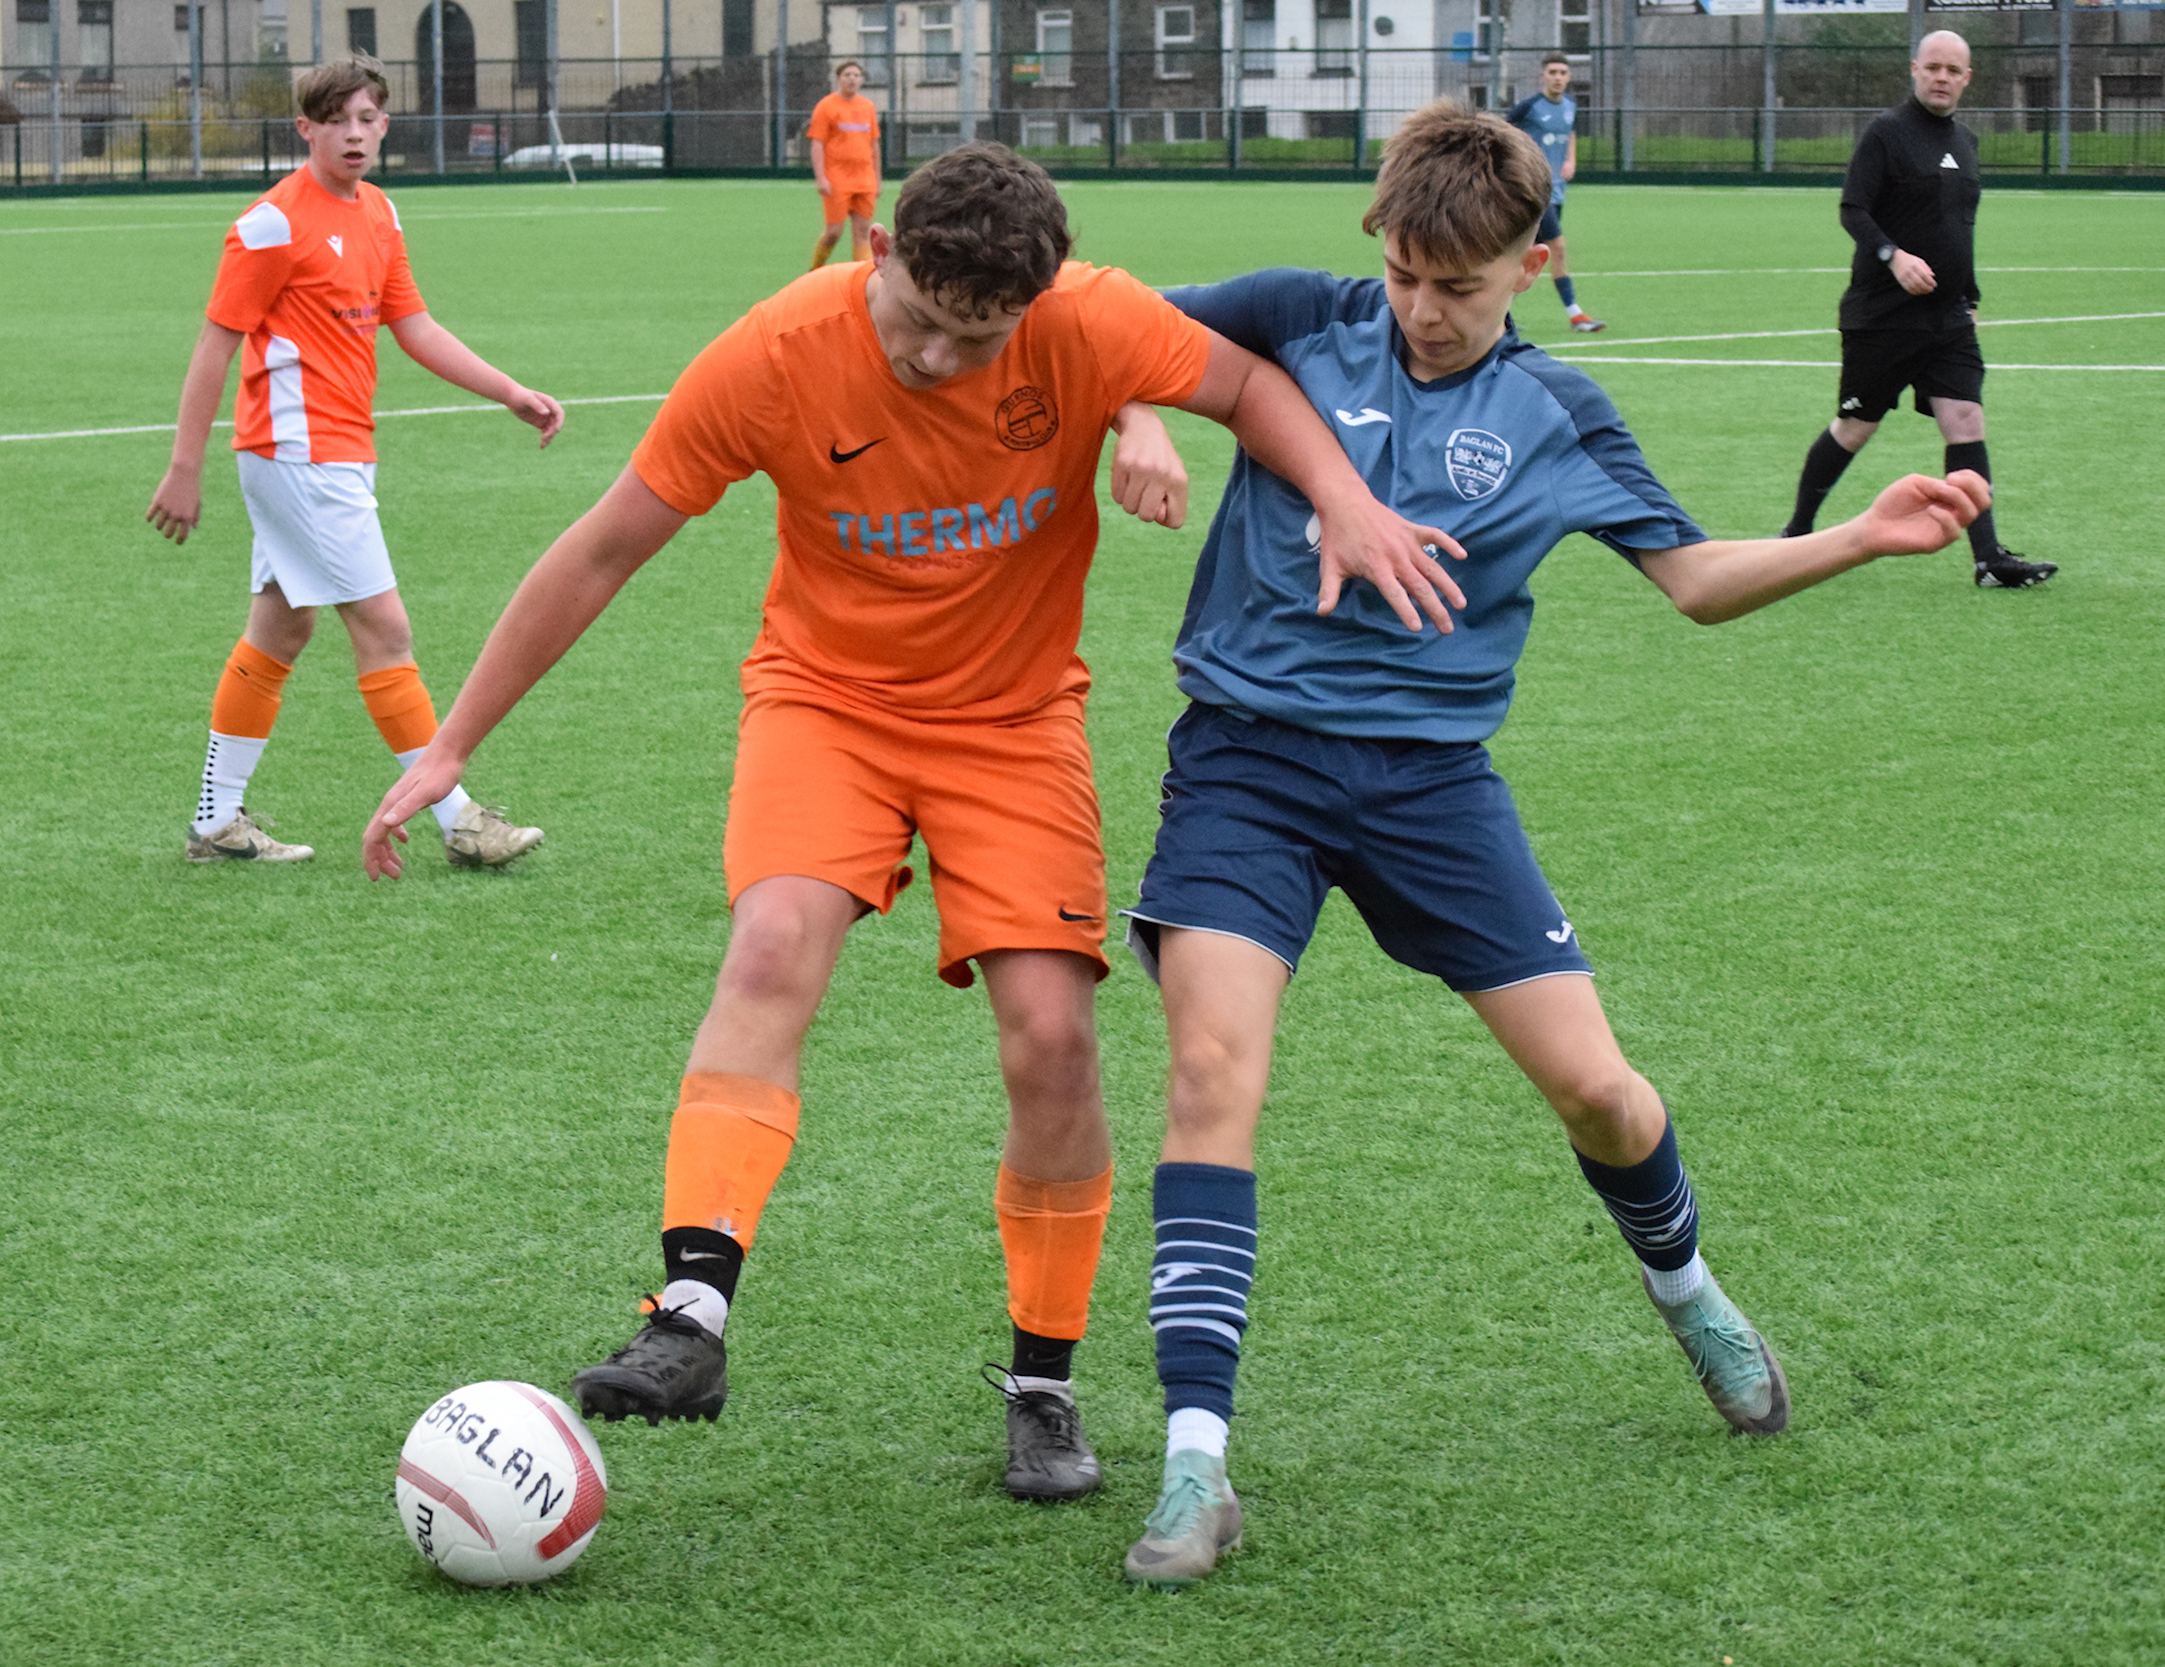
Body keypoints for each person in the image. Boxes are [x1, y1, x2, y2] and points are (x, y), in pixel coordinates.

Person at [360, 142, 1463, 1504]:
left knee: (1052, 1036)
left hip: (1013, 723)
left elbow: (1242, 383)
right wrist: (454, 738)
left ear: (1036, 304)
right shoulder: (772, 354)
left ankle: (1043, 1386)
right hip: (825, 703)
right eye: (917, 320)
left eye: (975, 334)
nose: (939, 357)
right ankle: (689, 1315)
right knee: (773, 944)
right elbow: (604, 545)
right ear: (875, 250)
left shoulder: (1085, 316)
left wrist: (1340, 498)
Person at [1109, 102, 1990, 1586]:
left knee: (1600, 1091)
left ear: (1530, 263)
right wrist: (1139, 410)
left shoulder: (1559, 410)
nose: (1423, 310)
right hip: (1246, 766)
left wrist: (1852, 538)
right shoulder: (1296, 320)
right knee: (1211, 1073)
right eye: (1404, 275)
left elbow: (1695, 579)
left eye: (1460, 285)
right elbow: (1102, 328)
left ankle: (1687, 1282)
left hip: (1434, 788)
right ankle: (1197, 1464)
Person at [145, 55, 562, 868]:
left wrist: (507, 390)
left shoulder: (380, 214)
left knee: (283, 626)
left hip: (336, 454)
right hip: (297, 454)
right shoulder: (272, 223)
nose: (356, 134)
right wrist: (183, 467)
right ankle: (461, 822)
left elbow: (415, 326)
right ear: (306, 129)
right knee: (385, 628)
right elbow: (214, 345)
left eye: (369, 118)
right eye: (338, 120)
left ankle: (214, 819)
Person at [1783, 29, 2052, 589]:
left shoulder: (1967, 142)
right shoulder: (1886, 133)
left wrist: (1970, 296)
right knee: (1856, 426)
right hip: (1883, 316)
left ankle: (1988, 560)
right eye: (1933, 67)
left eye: (1953, 70)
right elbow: (1853, 209)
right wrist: (1893, 255)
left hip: (1948, 318)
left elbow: (1960, 230)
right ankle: (1796, 535)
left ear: (1967, 79)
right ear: (1914, 69)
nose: (1942, 78)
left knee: (1965, 420)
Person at [1505, 54, 1603, 335]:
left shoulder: (1571, 106)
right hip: (1534, 190)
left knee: (1522, 256)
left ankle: (1494, 315)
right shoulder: (1529, 107)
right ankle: (1576, 315)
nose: (1558, 77)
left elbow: (1569, 133)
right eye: (1553, 72)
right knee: (1557, 247)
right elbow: (1502, 133)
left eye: (1563, 72)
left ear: (1569, 77)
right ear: (1543, 77)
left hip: (1557, 189)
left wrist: (1571, 160)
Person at [806, 61, 881, 270]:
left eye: (856, 75)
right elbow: (817, 144)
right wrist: (821, 177)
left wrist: (877, 179)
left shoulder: (867, 107)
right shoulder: (826, 106)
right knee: (834, 232)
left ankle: (862, 280)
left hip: (864, 177)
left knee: (862, 232)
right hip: (837, 176)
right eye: (847, 74)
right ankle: (813, 272)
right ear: (838, 78)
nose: (852, 79)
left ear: (861, 80)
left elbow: (874, 145)